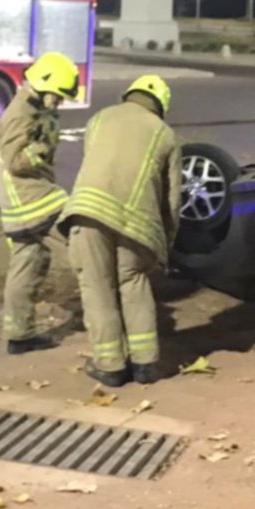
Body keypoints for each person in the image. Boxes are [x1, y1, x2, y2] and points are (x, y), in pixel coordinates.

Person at [61, 74, 181, 388]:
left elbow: (94, 160)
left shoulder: (99, 119)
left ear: (128, 94)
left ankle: (110, 366)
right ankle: (145, 365)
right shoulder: (164, 134)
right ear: (160, 105)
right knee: (134, 283)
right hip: (138, 223)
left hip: (89, 212)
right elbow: (172, 199)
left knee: (98, 287)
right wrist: (166, 242)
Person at [0, 52, 80, 354]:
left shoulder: (32, 108)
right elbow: (16, 161)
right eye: (58, 96)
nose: (60, 102)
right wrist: (43, 146)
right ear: (44, 84)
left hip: (20, 206)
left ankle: (20, 335)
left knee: (28, 265)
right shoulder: (20, 113)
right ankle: (112, 319)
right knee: (86, 249)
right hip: (35, 202)